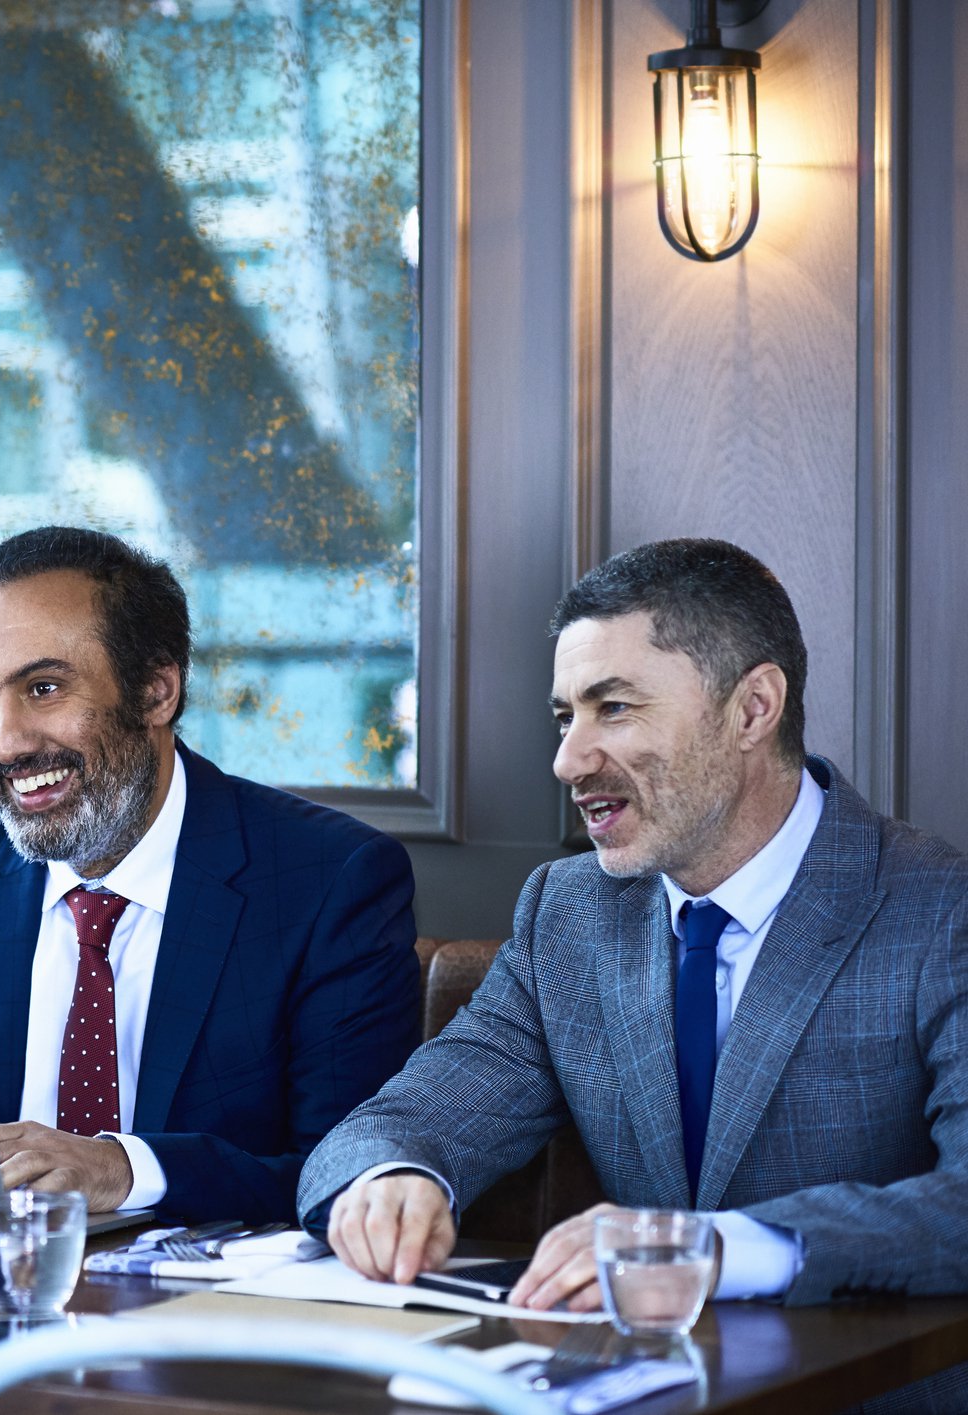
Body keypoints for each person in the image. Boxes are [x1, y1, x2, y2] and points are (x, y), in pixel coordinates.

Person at [300, 539, 968, 1405]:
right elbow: (402, 1120)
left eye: (612, 708)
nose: (568, 760)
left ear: (753, 708)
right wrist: (393, 1178)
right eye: (564, 717)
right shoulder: (569, 912)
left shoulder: (941, 910)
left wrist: (720, 1249)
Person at [0, 526, 421, 1220]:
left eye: (43, 688)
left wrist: (126, 1169)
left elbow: (349, 1179)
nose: (6, 742)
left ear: (156, 692)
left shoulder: (331, 880)